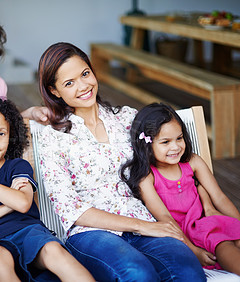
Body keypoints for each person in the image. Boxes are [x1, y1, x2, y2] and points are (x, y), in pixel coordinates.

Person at [36, 42, 207, 281]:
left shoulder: (128, 118)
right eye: (69, 83)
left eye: (85, 74)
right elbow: (70, 208)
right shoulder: (52, 138)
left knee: (188, 273)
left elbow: (166, 160)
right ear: (54, 91)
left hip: (144, 219)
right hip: (92, 233)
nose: (84, 86)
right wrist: (140, 226)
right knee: (138, 274)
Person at [0, 96, 95, 282]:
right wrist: (7, 205)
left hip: (29, 232)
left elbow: (22, 203)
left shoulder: (17, 166)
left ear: (10, 137)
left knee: (53, 250)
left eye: (1, 133)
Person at [121, 102, 240, 275]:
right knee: (222, 245)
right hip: (177, 236)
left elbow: (219, 197)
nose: (175, 147)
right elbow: (165, 219)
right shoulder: (147, 178)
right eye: (165, 142)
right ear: (147, 145)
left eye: (179, 138)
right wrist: (193, 250)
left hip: (203, 224)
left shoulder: (193, 162)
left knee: (228, 239)